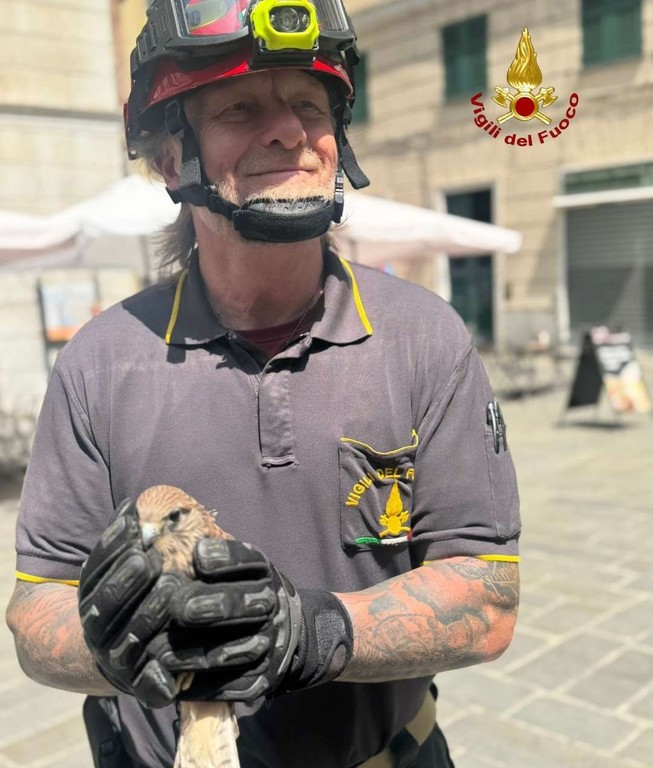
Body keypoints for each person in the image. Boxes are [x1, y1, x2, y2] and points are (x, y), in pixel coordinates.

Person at [6, 1, 521, 766]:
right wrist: (115, 646)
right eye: (239, 108)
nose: (288, 132)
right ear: (168, 159)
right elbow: (35, 607)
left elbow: (487, 596)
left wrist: (309, 631)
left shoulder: (425, 336)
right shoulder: (99, 359)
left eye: (309, 105)